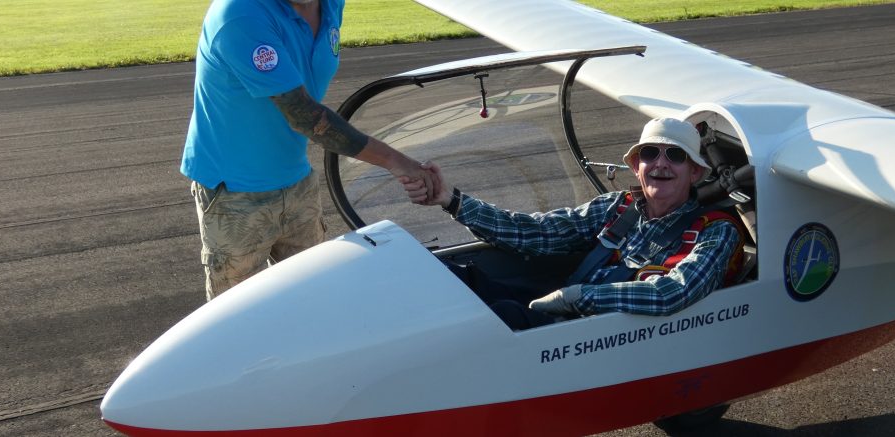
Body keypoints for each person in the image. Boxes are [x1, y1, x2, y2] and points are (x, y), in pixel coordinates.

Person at [182, 0, 440, 301]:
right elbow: (303, 115)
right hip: (235, 193)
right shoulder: (240, 14)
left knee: (315, 299)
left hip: (297, 179)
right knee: (238, 313)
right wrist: (396, 161)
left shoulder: (331, 5)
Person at [404, 117, 743, 329]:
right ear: (636, 166)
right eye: (650, 154)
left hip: (596, 337)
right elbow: (536, 232)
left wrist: (578, 297)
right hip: (564, 320)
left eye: (676, 156)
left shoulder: (715, 232)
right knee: (451, 276)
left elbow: (672, 293)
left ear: (695, 172)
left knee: (503, 316)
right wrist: (453, 200)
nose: (661, 164)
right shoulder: (617, 207)